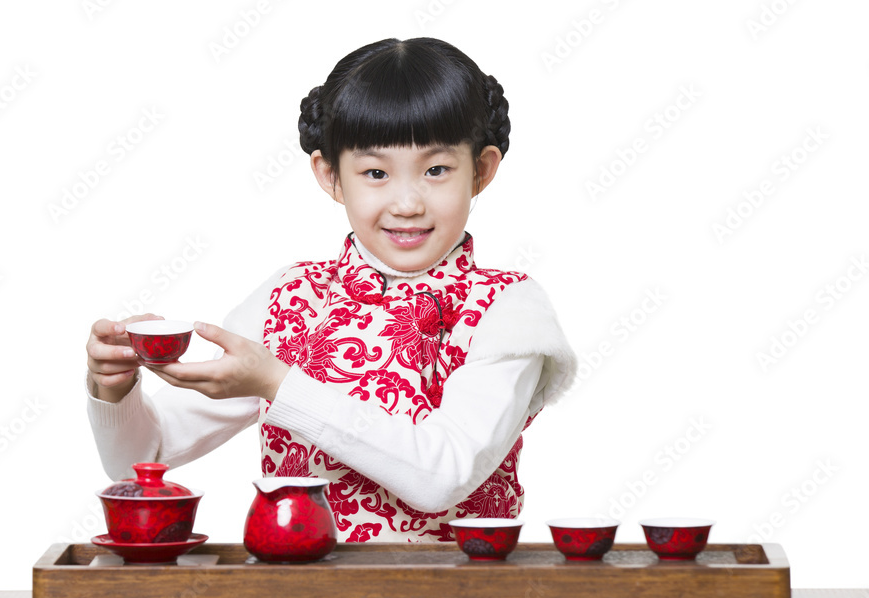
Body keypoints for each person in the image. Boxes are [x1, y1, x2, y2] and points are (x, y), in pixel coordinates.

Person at [85, 37, 577, 543]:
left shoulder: (508, 309)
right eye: (375, 173)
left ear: (481, 170)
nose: (407, 202)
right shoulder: (288, 298)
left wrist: (279, 384)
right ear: (330, 176)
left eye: (436, 170)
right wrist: (116, 390)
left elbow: (443, 475)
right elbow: (142, 460)